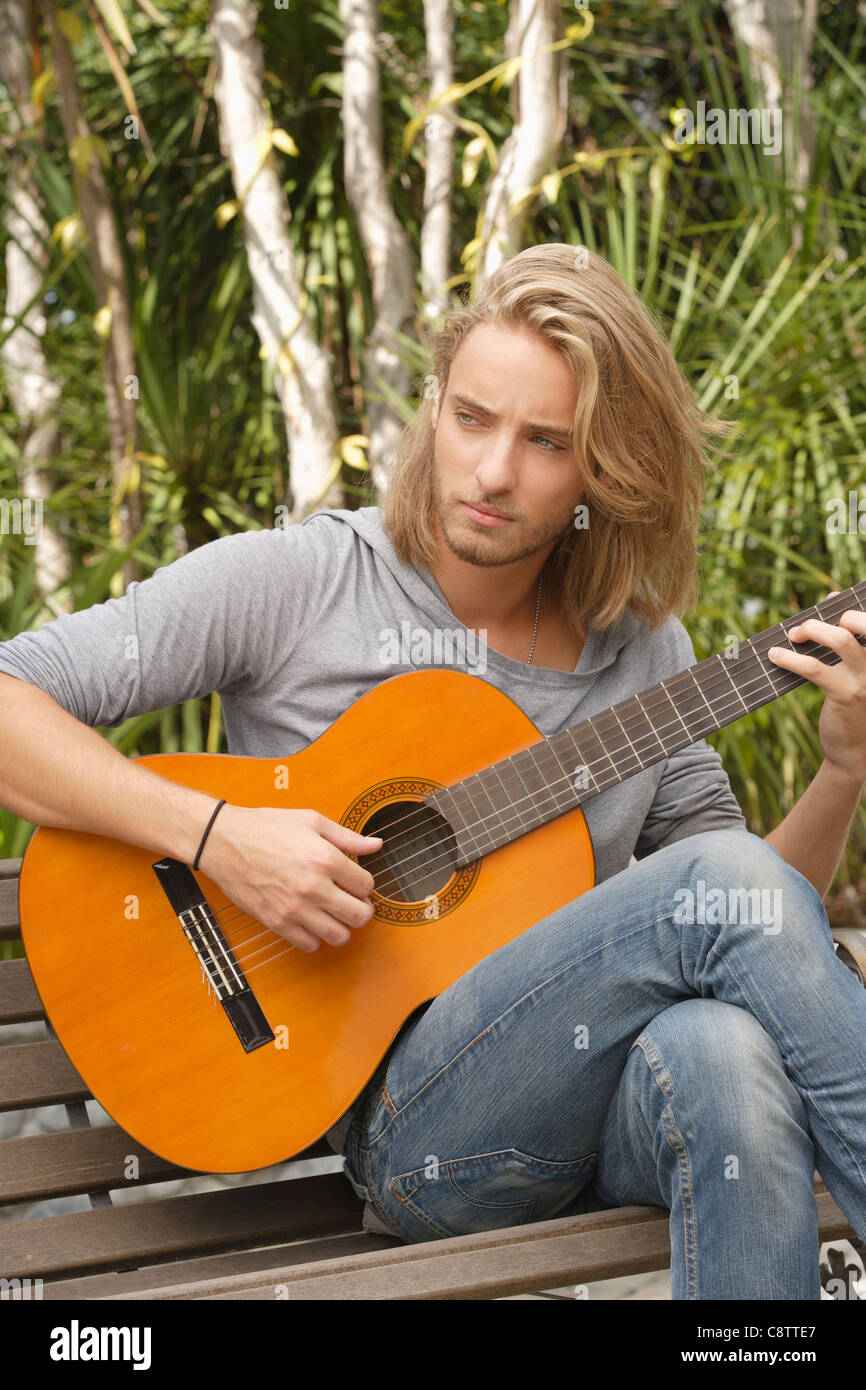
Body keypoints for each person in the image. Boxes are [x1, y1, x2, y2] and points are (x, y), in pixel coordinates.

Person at [0, 244, 864, 1299]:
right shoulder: (303, 582)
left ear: (607, 465)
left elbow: (751, 914)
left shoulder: (643, 651)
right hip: (418, 1139)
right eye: (470, 418)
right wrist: (216, 835)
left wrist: (842, 769)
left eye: (544, 441)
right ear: (433, 409)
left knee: (726, 1046)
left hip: (605, 1114)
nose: (492, 471)